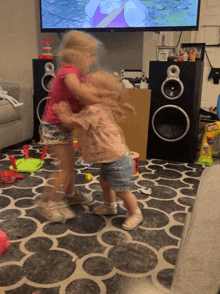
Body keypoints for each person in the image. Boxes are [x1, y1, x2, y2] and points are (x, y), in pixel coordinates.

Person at [36, 30, 119, 222]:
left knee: (70, 166)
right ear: (76, 54)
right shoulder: (68, 71)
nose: (92, 60)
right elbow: (80, 93)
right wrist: (102, 98)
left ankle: (70, 194)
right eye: (90, 55)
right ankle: (47, 202)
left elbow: (85, 98)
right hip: (53, 127)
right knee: (64, 168)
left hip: (63, 127)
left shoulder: (80, 74)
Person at [53, 70, 143, 230]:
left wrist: (62, 114)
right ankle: (110, 206)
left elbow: (72, 123)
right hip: (108, 158)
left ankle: (135, 213)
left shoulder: (94, 111)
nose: (81, 86)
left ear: (102, 93)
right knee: (104, 184)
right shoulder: (95, 107)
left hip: (117, 159)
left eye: (88, 84)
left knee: (122, 190)